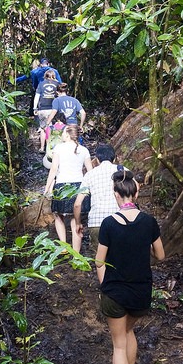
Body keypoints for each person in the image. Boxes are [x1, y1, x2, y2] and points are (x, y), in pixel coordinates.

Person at [94, 169, 165, 364]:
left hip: (115, 294)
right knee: (129, 330)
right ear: (135, 192)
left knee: (118, 345)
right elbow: (161, 255)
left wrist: (105, 287)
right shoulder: (149, 222)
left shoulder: (109, 224)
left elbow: (99, 261)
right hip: (141, 293)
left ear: (116, 195)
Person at [44, 125, 93, 253]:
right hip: (79, 186)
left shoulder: (58, 148)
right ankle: (76, 252)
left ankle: (64, 247)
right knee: (75, 219)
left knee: (58, 215)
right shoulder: (84, 150)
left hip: (62, 185)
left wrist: (47, 187)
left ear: (67, 134)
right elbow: (90, 172)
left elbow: (54, 169)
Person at [73, 144, 128, 253]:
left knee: (101, 261)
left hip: (97, 222)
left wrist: (78, 223)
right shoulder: (123, 171)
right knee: (120, 255)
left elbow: (77, 204)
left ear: (97, 159)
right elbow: (135, 187)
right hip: (120, 220)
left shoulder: (90, 175)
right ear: (115, 158)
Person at [33, 69, 60, 152]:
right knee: (53, 128)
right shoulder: (57, 84)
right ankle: (52, 148)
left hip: (43, 109)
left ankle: (42, 148)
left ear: (45, 76)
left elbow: (37, 96)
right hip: (53, 109)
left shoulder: (41, 84)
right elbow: (60, 96)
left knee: (43, 128)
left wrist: (35, 108)